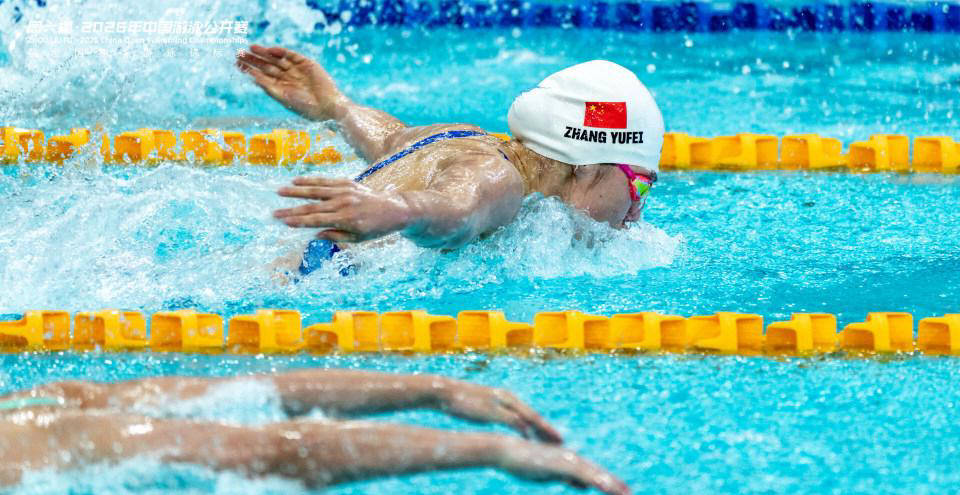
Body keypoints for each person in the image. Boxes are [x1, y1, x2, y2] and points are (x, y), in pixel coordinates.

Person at [236, 45, 664, 275]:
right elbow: (458, 209)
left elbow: (390, 139)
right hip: (316, 281)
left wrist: (337, 107)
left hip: (289, 266)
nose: (637, 210)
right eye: (640, 184)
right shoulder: (500, 179)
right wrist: (399, 212)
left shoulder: (459, 138)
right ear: (587, 164)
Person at [0, 369, 629, 494]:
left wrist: (431, 391)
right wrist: (487, 451)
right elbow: (269, 452)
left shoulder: (30, 419)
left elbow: (235, 399)